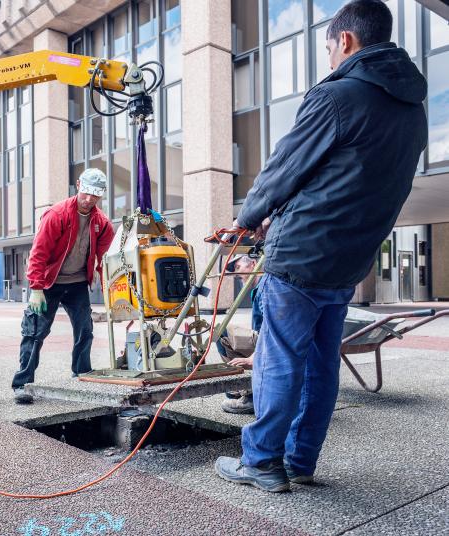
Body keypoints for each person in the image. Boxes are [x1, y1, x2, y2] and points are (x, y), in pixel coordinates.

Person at [215, 0, 427, 493]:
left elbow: (284, 168)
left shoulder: (338, 95)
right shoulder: (413, 112)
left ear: (346, 41)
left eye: (329, 47)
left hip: (300, 259)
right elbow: (347, 183)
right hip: (349, 261)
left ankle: (262, 460)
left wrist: (248, 219)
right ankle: (300, 460)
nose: (329, 58)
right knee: (322, 363)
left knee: (280, 359)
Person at [12, 168, 114, 404]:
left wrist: (109, 286)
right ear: (79, 185)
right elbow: (38, 253)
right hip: (49, 283)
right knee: (35, 332)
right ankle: (23, 383)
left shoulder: (103, 224)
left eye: (96, 195)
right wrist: (36, 288)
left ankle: (82, 373)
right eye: (86, 192)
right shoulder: (56, 214)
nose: (89, 199)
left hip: (77, 283)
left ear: (101, 195)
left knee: (85, 331)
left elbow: (105, 260)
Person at [217, 254, 261, 415]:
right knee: (224, 333)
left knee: (222, 335)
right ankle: (243, 389)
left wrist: (254, 357)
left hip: (273, 341)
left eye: (238, 268)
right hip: (265, 338)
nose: (236, 275)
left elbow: (272, 329)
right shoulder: (256, 289)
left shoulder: (263, 286)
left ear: (253, 264)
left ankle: (251, 398)